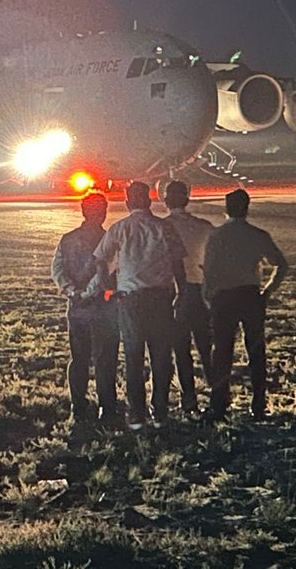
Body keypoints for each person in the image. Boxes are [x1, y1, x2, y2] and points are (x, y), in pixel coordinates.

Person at [93, 181, 187, 430]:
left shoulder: (120, 228)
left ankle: (136, 414)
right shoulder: (163, 227)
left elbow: (100, 259)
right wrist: (182, 290)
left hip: (130, 298)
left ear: (127, 203)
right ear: (149, 200)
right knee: (161, 356)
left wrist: (107, 289)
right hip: (160, 298)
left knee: (133, 356)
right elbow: (178, 261)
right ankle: (161, 410)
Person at [203, 188, 290, 420]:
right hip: (251, 295)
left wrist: (209, 295)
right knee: (256, 350)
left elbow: (209, 269)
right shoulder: (258, 235)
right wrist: (267, 292)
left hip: (224, 297)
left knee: (222, 351)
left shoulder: (217, 236)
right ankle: (258, 403)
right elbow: (281, 265)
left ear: (226, 208)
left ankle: (219, 403)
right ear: (247, 208)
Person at [50, 191, 119, 422]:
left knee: (78, 358)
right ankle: (107, 406)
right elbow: (107, 272)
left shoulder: (67, 239)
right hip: (102, 307)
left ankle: (78, 404)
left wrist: (71, 291)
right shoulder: (110, 239)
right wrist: (91, 292)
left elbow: (57, 270)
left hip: (76, 306)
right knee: (105, 359)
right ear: (104, 212)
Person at [161, 180, 213, 419]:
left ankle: (188, 399)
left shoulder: (160, 228)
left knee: (181, 350)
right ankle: (217, 394)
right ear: (188, 199)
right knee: (206, 347)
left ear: (165, 200)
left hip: (174, 293)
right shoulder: (204, 227)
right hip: (201, 290)